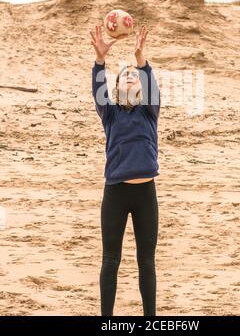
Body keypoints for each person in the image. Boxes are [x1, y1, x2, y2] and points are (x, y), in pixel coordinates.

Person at [90, 24, 160, 316]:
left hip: (145, 194)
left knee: (146, 261)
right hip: (115, 194)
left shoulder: (149, 111)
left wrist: (140, 59)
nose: (131, 79)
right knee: (111, 260)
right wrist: (100, 60)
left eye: (135, 77)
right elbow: (97, 87)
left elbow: (151, 82)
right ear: (116, 88)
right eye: (125, 77)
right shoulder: (110, 113)